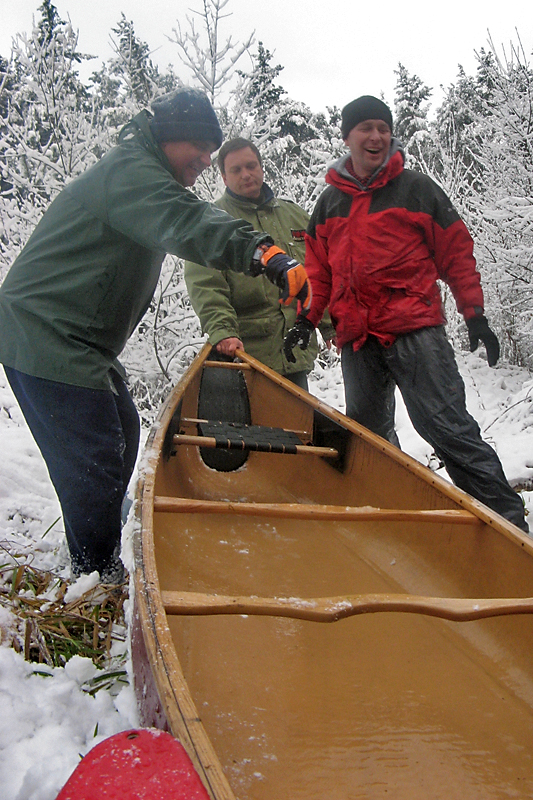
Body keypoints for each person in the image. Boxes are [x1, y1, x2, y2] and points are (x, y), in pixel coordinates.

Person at [0, 88, 312, 582]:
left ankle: (103, 539)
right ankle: (97, 578)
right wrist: (262, 252)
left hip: (80, 339)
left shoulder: (145, 175)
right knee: (96, 456)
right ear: (170, 137)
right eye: (201, 149)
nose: (206, 161)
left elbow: (182, 214)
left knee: (124, 431)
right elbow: (188, 220)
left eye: (212, 152)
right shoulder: (132, 173)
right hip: (44, 333)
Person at [284, 95, 528, 532]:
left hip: (415, 333)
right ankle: (395, 521)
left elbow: (456, 253)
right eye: (366, 128)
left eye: (384, 128)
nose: (376, 136)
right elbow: (320, 272)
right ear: (347, 137)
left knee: (447, 429)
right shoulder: (329, 203)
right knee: (370, 439)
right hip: (358, 340)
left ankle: (508, 526)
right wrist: (307, 319)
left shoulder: (417, 189)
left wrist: (474, 314)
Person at [184, 137, 335, 390]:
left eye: (251, 166)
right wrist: (223, 332)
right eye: (236, 170)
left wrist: (331, 325)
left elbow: (318, 275)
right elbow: (206, 287)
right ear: (224, 178)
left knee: (297, 416)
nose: (246, 174)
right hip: (245, 357)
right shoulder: (212, 224)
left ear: (262, 168)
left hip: (295, 354)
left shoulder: (295, 216)